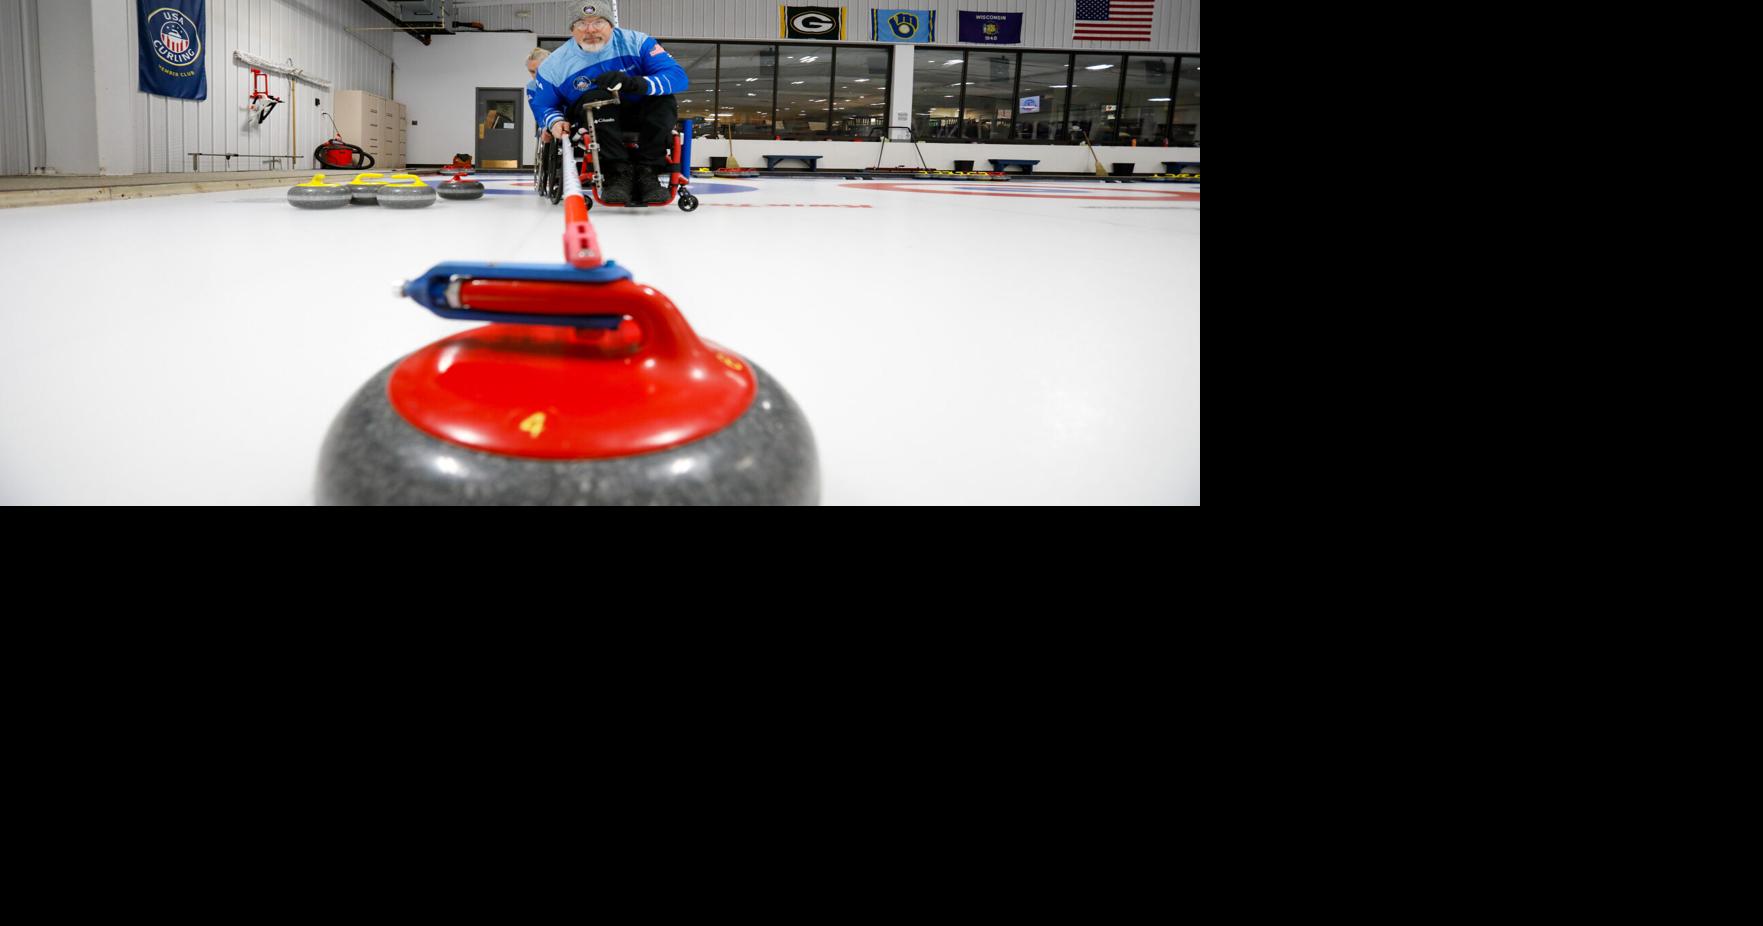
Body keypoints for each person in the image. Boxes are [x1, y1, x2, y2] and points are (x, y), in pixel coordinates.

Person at [529, 3, 689, 204]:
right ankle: (617, 173)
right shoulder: (555, 65)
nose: (591, 30)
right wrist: (554, 121)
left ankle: (648, 172)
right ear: (572, 30)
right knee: (596, 99)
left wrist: (635, 83)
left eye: (598, 22)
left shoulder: (638, 42)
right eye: (581, 24)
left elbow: (678, 77)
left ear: (611, 25)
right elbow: (543, 104)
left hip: (639, 113)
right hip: (593, 117)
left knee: (663, 99)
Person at [525, 47, 552, 143]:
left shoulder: (563, 80)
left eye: (540, 70)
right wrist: (544, 127)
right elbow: (537, 110)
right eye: (532, 71)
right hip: (549, 125)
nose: (536, 75)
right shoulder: (532, 86)